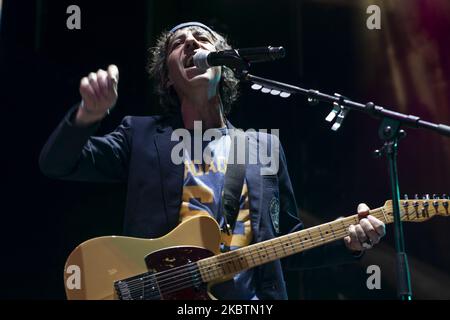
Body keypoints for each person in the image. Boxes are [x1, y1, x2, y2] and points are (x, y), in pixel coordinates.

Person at [39, 21, 385, 300]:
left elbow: (284, 244)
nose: (191, 43)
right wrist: (88, 114)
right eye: (179, 43)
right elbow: (57, 164)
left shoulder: (262, 147)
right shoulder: (140, 136)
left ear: (226, 66)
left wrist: (348, 242)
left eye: (201, 38)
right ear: (166, 78)